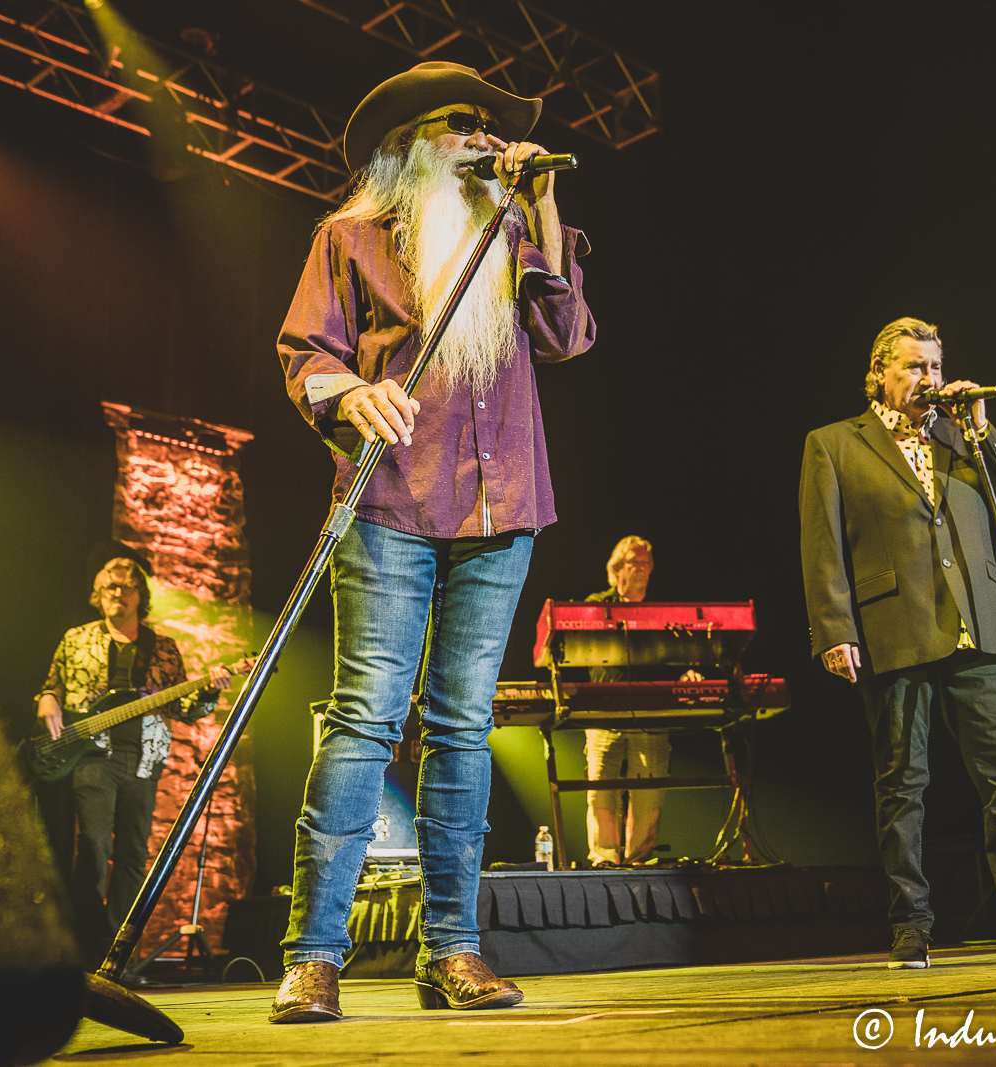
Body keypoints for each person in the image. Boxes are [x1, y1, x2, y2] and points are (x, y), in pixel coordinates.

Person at [270, 61, 594, 1023]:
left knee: (462, 723)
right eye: (465, 126)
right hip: (391, 503)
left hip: (504, 508)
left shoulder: (526, 232)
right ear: (412, 144)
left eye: (496, 129)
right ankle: (314, 954)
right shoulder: (350, 236)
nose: (487, 141)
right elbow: (306, 351)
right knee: (366, 714)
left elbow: (570, 337)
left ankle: (452, 947)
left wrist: (540, 205)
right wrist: (344, 391)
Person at [798, 317, 996, 969]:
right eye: (914, 367)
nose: (929, 378)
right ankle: (911, 927)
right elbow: (823, 545)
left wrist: (982, 429)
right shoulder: (836, 443)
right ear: (879, 372)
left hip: (976, 628)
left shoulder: (963, 437)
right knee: (903, 786)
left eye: (934, 365)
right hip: (894, 628)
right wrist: (835, 628)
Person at [35, 555, 230, 967]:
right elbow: (50, 686)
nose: (117, 594)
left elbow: (184, 708)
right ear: (97, 594)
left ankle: (117, 956)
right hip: (91, 757)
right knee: (91, 848)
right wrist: (47, 698)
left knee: (133, 855)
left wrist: (211, 691)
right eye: (110, 586)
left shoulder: (162, 648)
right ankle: (84, 955)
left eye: (126, 587)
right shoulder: (75, 639)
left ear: (140, 596)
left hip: (144, 760)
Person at [581, 536, 703, 866]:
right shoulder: (596, 604)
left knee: (648, 790)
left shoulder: (661, 612)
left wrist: (688, 672)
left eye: (647, 564)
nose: (642, 569)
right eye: (636, 563)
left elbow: (681, 653)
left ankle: (638, 859)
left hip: (651, 713)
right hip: (604, 710)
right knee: (601, 787)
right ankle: (604, 857)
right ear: (617, 568)